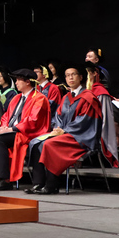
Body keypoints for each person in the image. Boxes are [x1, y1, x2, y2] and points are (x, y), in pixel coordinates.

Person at [26, 65, 102, 195]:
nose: (70, 78)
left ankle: (52, 185)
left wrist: (65, 131)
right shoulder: (66, 97)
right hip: (65, 134)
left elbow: (84, 122)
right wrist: (57, 129)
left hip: (81, 137)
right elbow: (58, 117)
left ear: (81, 77)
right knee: (35, 142)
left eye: (73, 74)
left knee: (49, 144)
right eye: (67, 75)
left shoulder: (88, 97)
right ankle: (38, 184)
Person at [0, 69, 51, 191]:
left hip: (28, 133)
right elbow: (6, 116)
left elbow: (33, 120)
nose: (16, 83)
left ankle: (4, 180)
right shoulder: (16, 98)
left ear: (27, 82)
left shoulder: (39, 98)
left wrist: (12, 129)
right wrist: (5, 127)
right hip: (12, 132)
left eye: (18, 80)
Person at [86, 61, 118, 167]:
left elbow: (104, 117)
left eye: (88, 73)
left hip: (94, 127)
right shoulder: (83, 91)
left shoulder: (100, 92)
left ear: (95, 74)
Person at [34, 62, 62, 126]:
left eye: (37, 72)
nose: (34, 74)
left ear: (44, 74)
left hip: (49, 122)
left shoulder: (54, 88)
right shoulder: (35, 88)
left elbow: (52, 106)